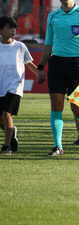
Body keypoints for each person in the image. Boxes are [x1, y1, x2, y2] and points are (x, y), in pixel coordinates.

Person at [36, 0, 79, 156]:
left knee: (78, 107)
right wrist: (41, 66)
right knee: (56, 104)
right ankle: (58, 146)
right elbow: (48, 44)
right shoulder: (52, 16)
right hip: (56, 63)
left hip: (77, 63)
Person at [0, 16, 43, 154]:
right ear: (1, 30)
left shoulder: (20, 46)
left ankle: (6, 147)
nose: (13, 30)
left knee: (7, 114)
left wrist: (39, 73)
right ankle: (12, 133)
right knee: (2, 119)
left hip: (15, 86)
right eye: (9, 28)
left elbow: (29, 63)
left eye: (14, 27)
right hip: (1, 87)